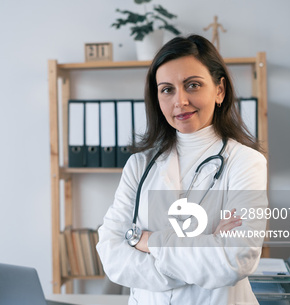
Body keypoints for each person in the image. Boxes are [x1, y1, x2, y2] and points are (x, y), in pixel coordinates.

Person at [96, 35, 268, 304]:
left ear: (219, 90)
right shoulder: (139, 165)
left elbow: (236, 257)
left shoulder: (245, 162)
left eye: (193, 85)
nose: (180, 101)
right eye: (167, 89)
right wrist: (205, 246)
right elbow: (111, 255)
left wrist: (146, 241)